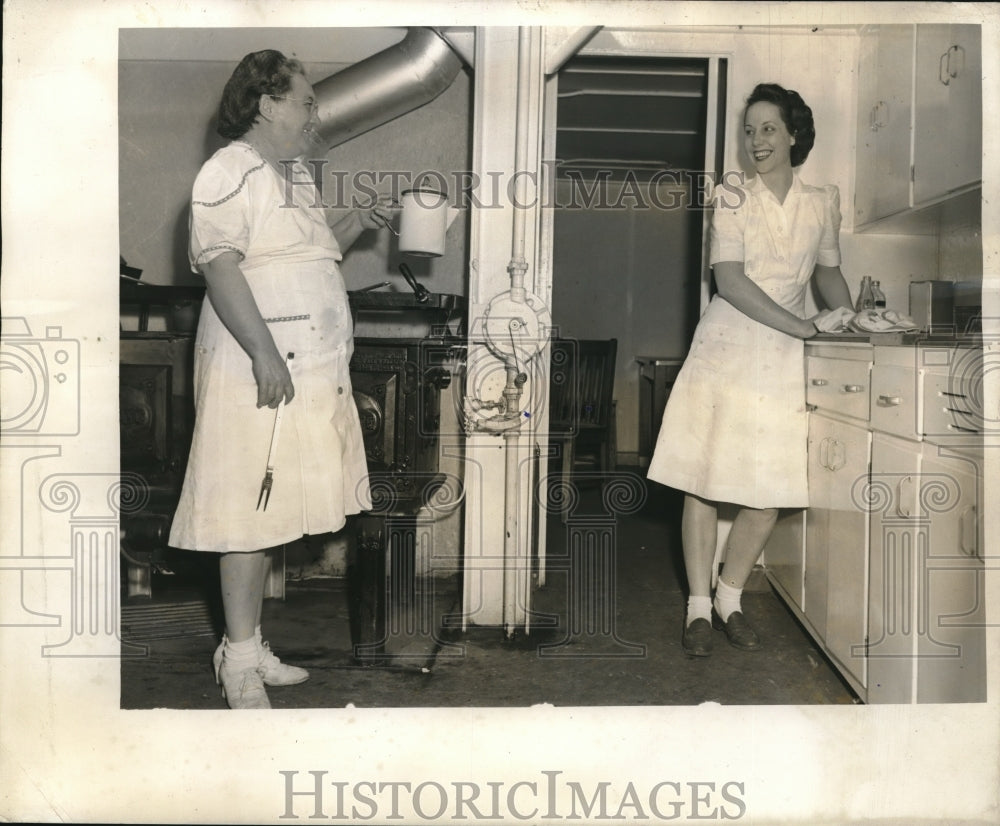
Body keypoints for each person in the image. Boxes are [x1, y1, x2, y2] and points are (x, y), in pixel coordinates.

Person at [167, 50, 395, 707]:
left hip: (309, 362)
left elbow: (308, 254)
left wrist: (357, 220)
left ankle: (248, 641)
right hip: (256, 362)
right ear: (267, 104)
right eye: (304, 103)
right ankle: (237, 661)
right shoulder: (228, 169)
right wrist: (264, 354)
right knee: (244, 507)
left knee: (274, 506)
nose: (312, 115)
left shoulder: (291, 174)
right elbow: (219, 265)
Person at [647, 83, 853, 657]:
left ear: (793, 135)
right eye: (749, 129)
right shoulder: (732, 195)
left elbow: (829, 275)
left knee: (770, 488)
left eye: (768, 128)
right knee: (704, 480)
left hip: (782, 356)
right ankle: (696, 608)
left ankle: (728, 597)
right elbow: (730, 281)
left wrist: (852, 315)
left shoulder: (822, 201)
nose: (756, 140)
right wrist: (807, 326)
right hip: (728, 347)